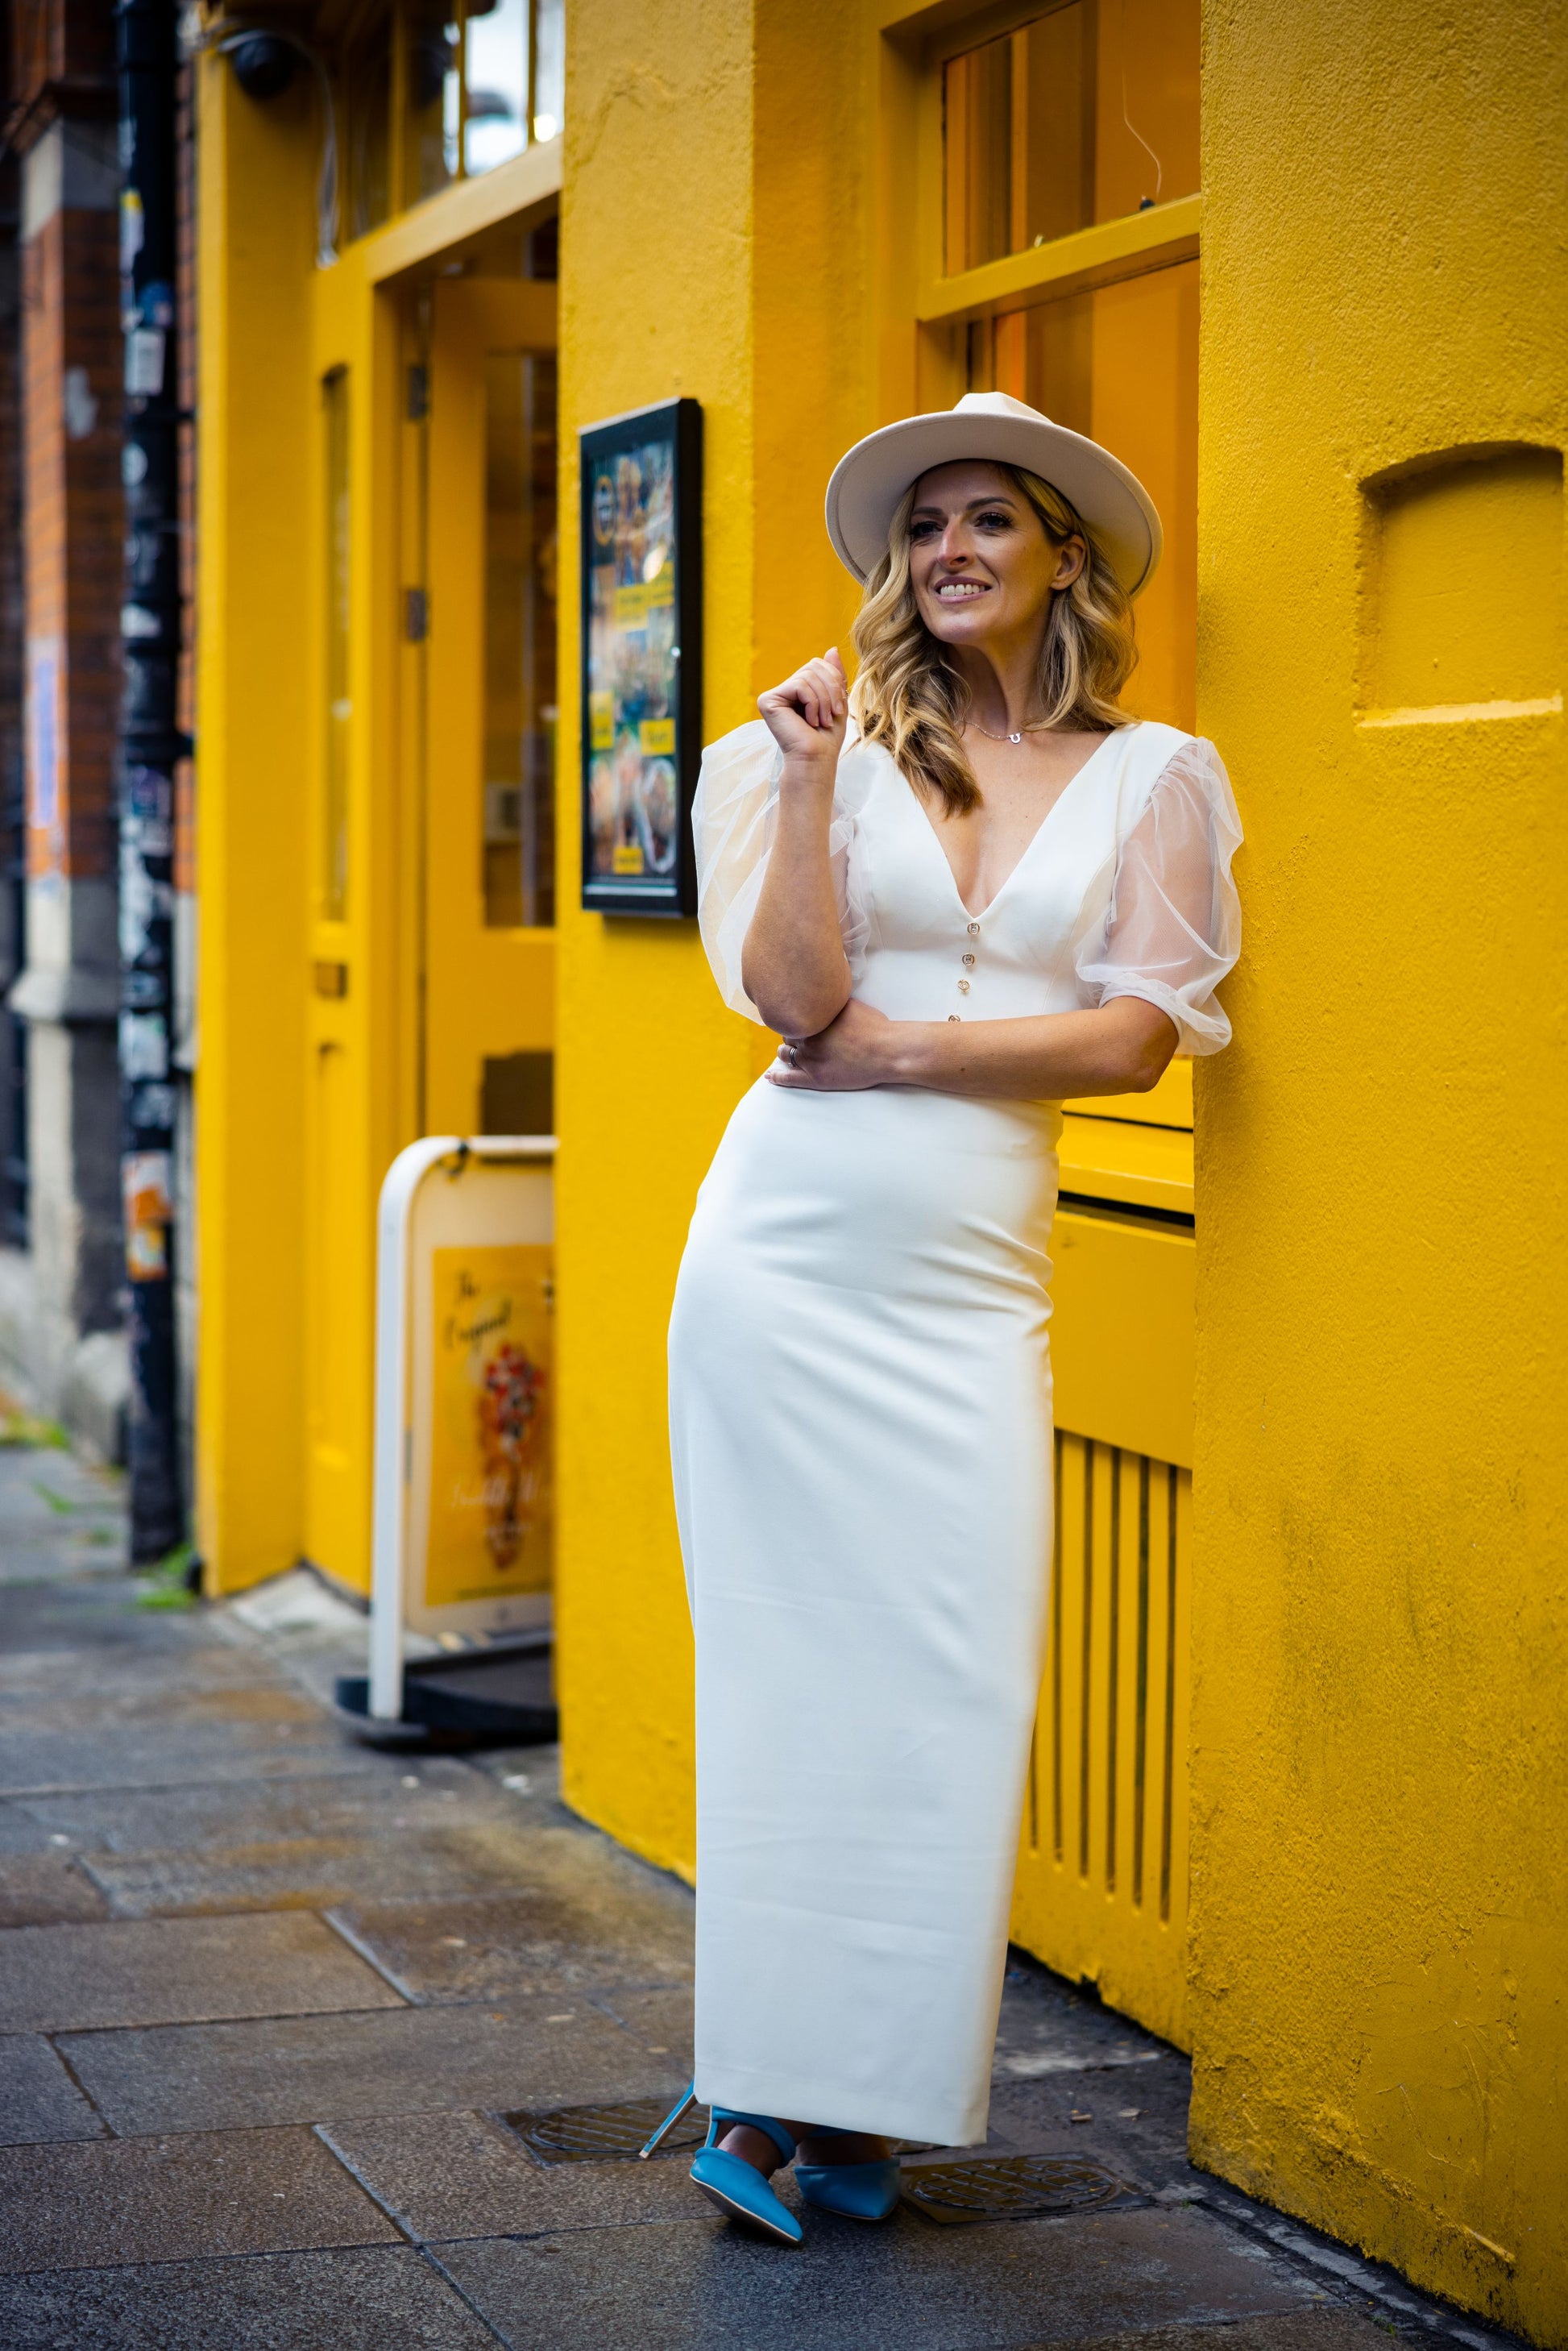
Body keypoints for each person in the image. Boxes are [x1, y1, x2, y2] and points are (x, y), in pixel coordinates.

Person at [650, 392, 1242, 2245]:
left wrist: (907, 1047)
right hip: (783, 1260)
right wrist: (819, 787)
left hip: (970, 1280)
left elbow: (1135, 1037)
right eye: (923, 528)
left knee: (953, 1682)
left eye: (991, 517)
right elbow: (791, 1000)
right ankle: (771, 2090)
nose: (952, 549)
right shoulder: (797, 752)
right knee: (784, 1672)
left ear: (1064, 553)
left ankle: (877, 2107)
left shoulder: (1163, 776)